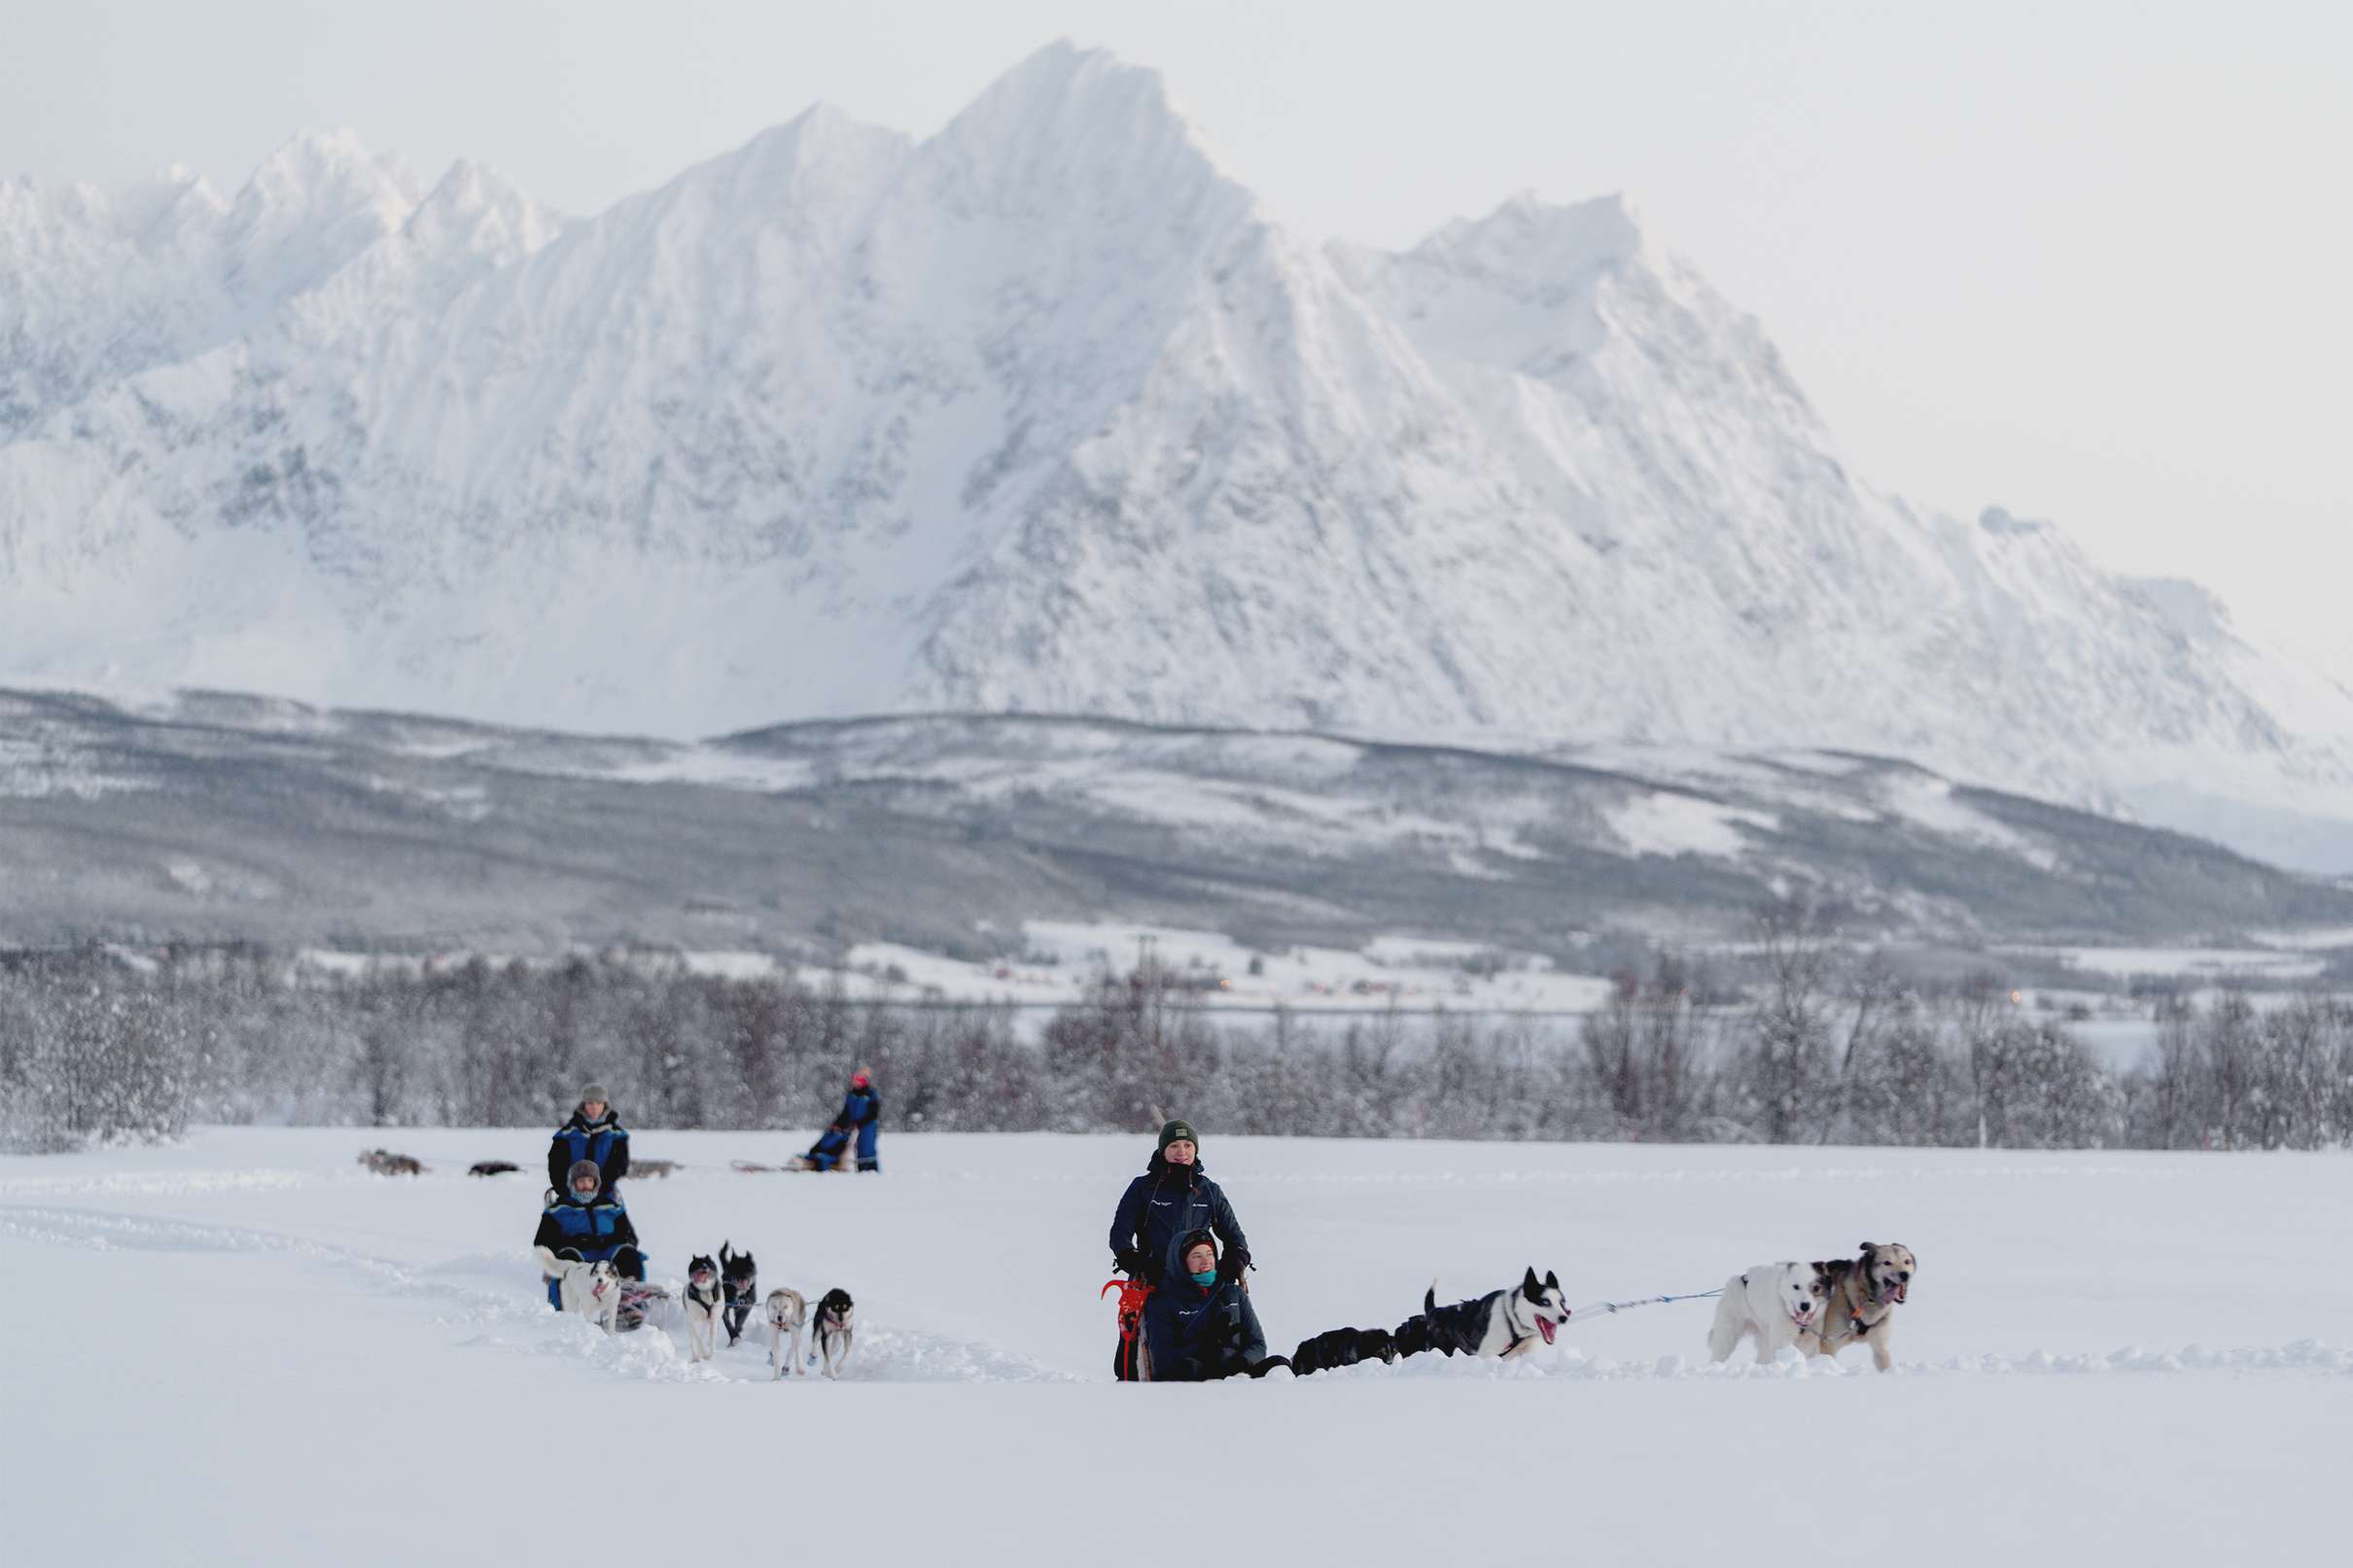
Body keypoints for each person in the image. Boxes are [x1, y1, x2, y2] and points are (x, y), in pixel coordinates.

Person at [1106, 1118, 1250, 1379]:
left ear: (1196, 1150)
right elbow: (1120, 1234)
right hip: (1153, 1281)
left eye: (1187, 1145)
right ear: (1163, 1150)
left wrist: (1234, 1262)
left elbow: (1235, 1238)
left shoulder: (1209, 1191)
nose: (1181, 1152)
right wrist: (1134, 1260)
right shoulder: (1143, 1188)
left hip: (1199, 1285)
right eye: (1174, 1145)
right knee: (1130, 1364)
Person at [1141, 1229, 1280, 1381]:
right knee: (1190, 1368)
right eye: (1197, 1256)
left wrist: (1242, 1361)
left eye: (1209, 1254)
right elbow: (1163, 1361)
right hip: (1196, 1378)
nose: (1206, 1261)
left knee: (1279, 1363)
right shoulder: (1164, 1302)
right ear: (1181, 1262)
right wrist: (1205, 1346)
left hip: (1237, 1371)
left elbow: (1257, 1344)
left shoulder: (1233, 1293)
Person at [534, 1158, 646, 1307]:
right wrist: (571, 1243)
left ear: (596, 1183)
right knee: (567, 1258)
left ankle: (629, 1298)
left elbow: (629, 1236)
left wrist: (612, 1241)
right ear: (573, 1183)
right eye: (581, 1181)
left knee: (628, 1253)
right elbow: (542, 1242)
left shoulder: (610, 1207)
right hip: (578, 1254)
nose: (585, 1185)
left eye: (589, 1181)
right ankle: (566, 1304)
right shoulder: (559, 1210)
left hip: (607, 1252)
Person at [547, 1083, 629, 1195]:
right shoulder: (567, 1134)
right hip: (570, 1194)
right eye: (590, 1103)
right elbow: (556, 1164)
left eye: (599, 1103)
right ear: (584, 1105)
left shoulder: (617, 1135)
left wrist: (602, 1186)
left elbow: (620, 1165)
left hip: (605, 1194)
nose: (594, 1107)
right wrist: (564, 1189)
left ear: (605, 1105)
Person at [800, 1070, 881, 1172]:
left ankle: (871, 1170)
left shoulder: (870, 1095)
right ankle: (861, 1170)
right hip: (854, 1125)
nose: (856, 1083)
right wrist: (837, 1124)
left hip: (867, 1126)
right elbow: (846, 1113)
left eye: (858, 1081)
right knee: (841, 1141)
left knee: (866, 1148)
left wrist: (859, 1123)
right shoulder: (851, 1095)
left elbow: (873, 1114)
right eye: (855, 1081)